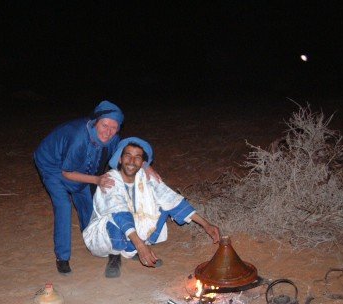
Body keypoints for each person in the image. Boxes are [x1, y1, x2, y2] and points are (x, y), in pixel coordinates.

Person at [34, 101, 158, 275]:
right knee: (63, 205)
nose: (108, 132)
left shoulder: (113, 138)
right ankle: (62, 257)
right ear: (95, 122)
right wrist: (96, 179)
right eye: (104, 125)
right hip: (51, 163)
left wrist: (147, 166)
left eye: (113, 128)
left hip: (75, 164)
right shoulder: (78, 138)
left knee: (89, 204)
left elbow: (129, 153)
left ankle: (94, 241)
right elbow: (67, 173)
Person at [83, 137, 221, 278]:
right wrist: (141, 245)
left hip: (134, 229)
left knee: (165, 204)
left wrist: (206, 225)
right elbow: (119, 213)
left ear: (142, 163)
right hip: (107, 232)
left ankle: (132, 249)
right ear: (119, 159)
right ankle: (115, 255)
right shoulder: (109, 180)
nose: (131, 161)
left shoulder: (146, 177)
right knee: (116, 218)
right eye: (128, 155)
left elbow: (172, 199)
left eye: (137, 157)